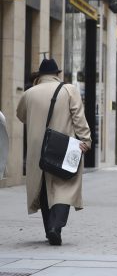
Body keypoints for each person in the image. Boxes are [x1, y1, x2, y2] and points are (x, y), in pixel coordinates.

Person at [15, 59, 91, 246]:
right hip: (63, 146)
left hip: (37, 149)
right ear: (57, 74)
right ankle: (55, 227)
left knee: (42, 189)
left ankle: (49, 229)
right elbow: (78, 118)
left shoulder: (29, 93)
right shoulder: (69, 90)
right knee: (65, 186)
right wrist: (85, 140)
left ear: (39, 75)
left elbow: (21, 116)